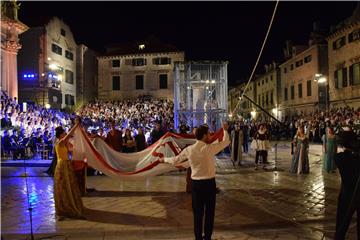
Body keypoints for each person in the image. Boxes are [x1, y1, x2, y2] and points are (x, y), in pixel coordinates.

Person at [160, 122, 230, 240]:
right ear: (203, 136)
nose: (210, 136)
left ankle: (198, 238)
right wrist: (225, 130)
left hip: (196, 185)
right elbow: (226, 142)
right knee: (209, 213)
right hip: (209, 184)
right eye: (208, 134)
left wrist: (164, 159)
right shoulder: (209, 148)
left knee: (198, 214)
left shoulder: (190, 150)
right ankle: (207, 237)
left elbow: (176, 160)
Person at [53, 125, 84, 220]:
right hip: (62, 165)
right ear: (61, 135)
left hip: (66, 164)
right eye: (63, 133)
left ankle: (69, 204)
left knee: (68, 186)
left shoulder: (63, 143)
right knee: (63, 186)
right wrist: (76, 125)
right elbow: (69, 134)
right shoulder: (60, 142)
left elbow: (69, 150)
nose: (65, 134)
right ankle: (65, 207)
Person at [334, 130, 360, 240]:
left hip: (346, 194)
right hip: (357, 192)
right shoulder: (356, 158)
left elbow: (342, 155)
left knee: (341, 224)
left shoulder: (339, 158)